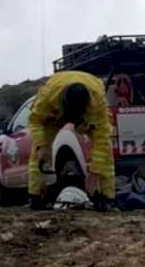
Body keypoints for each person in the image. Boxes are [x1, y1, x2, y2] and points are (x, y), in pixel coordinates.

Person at [29, 71, 114, 209]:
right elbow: (35, 121)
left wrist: (95, 173)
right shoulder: (47, 95)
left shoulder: (98, 101)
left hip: (87, 114)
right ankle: (36, 197)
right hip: (54, 116)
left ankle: (105, 198)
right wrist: (42, 145)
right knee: (38, 155)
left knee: (106, 152)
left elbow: (102, 139)